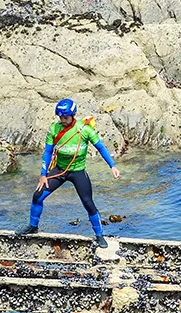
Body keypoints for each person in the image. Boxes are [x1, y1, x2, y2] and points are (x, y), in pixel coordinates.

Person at [15, 99, 120, 247]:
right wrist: (43, 175)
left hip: (78, 172)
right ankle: (33, 226)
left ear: (73, 115)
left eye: (66, 117)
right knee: (37, 195)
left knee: (88, 203)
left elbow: (101, 148)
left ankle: (99, 235)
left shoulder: (85, 130)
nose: (63, 120)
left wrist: (112, 166)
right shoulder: (54, 129)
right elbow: (47, 152)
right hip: (59, 170)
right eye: (60, 118)